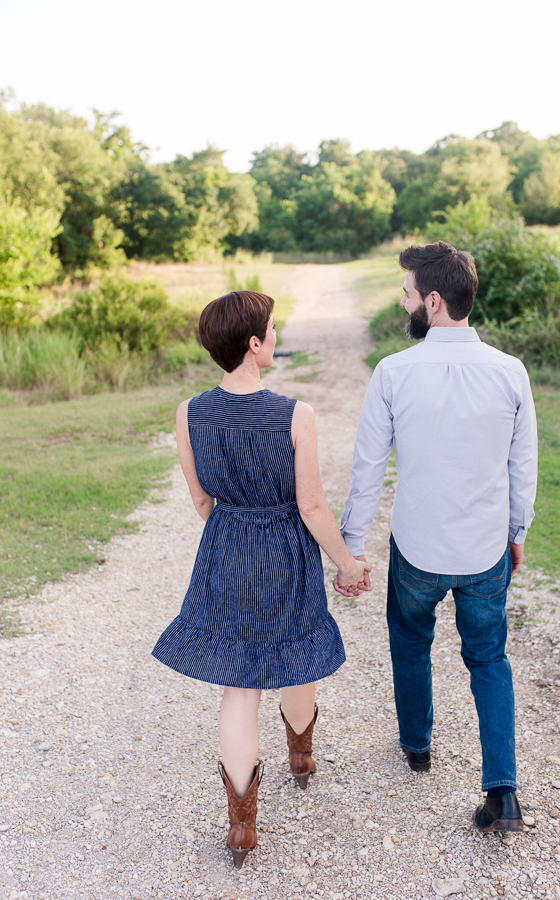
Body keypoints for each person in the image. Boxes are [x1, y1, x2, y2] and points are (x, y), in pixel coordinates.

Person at [152, 290, 370, 868]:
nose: (275, 336)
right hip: (287, 550)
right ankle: (301, 758)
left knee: (238, 684)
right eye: (272, 329)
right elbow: (314, 507)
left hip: (226, 545)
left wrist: (234, 533)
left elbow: (201, 498)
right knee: (297, 647)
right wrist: (347, 564)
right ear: (253, 343)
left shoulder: (189, 412)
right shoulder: (296, 413)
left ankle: (242, 827)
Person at [339, 241, 537, 832]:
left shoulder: (394, 372)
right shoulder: (510, 371)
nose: (402, 303)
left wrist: (352, 545)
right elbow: (521, 466)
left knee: (409, 640)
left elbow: (367, 466)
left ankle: (417, 746)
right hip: (484, 550)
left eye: (405, 293)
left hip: (418, 548)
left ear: (432, 299)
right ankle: (503, 792)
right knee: (489, 659)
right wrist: (516, 532)